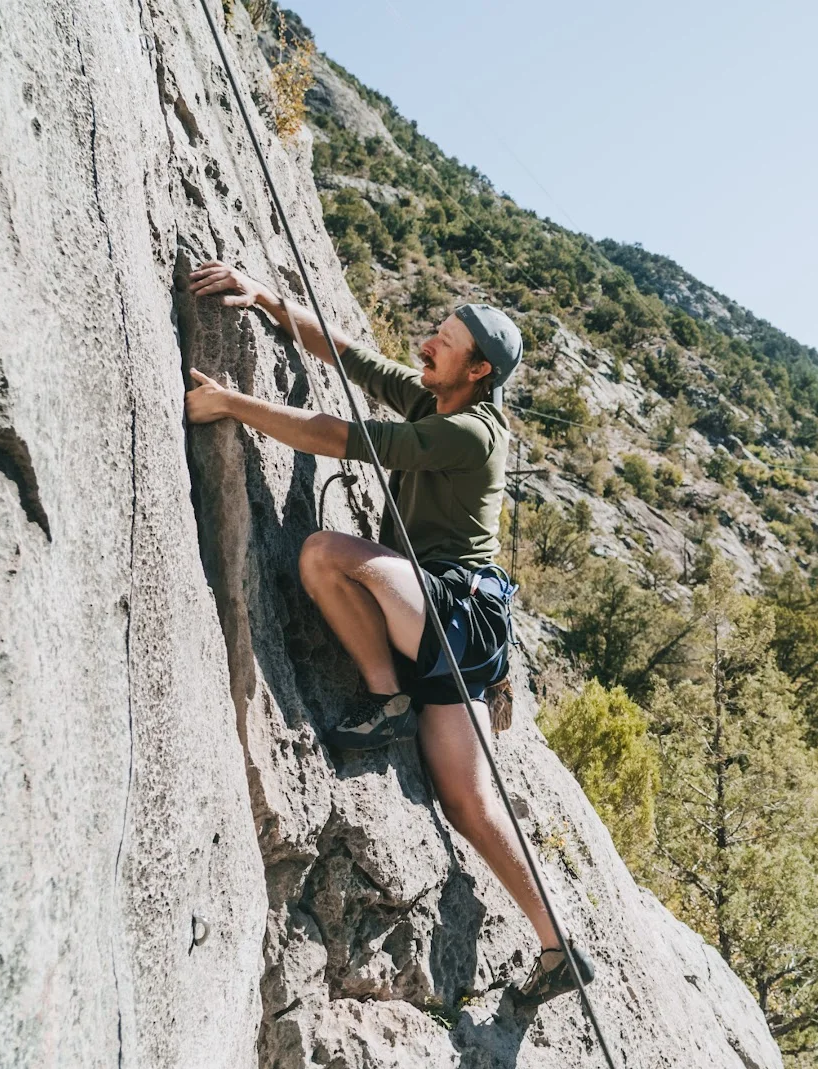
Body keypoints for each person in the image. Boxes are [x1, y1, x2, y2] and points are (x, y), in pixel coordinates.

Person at [182, 260, 591, 1007]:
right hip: (455, 626)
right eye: (437, 332)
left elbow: (342, 437)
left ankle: (386, 695)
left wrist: (231, 403)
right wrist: (268, 298)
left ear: (479, 371)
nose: (428, 343)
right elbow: (349, 356)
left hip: (451, 612)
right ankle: (556, 942)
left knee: (323, 555)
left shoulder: (469, 432)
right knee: (469, 803)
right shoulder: (438, 397)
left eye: (445, 342)